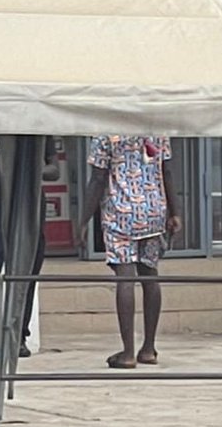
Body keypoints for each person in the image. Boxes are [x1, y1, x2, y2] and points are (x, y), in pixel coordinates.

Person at [73, 136, 182, 370]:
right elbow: (167, 170)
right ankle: (149, 348)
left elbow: (98, 178)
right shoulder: (156, 129)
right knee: (150, 275)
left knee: (125, 278)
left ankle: (128, 353)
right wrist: (175, 212)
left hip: (120, 212)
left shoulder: (106, 134)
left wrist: (83, 220)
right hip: (154, 212)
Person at [0, 135, 59, 358]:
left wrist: (30, 168)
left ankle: (19, 335)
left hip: (31, 199)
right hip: (1, 196)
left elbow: (54, 169)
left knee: (27, 268)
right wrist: (4, 161)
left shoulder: (39, 131)